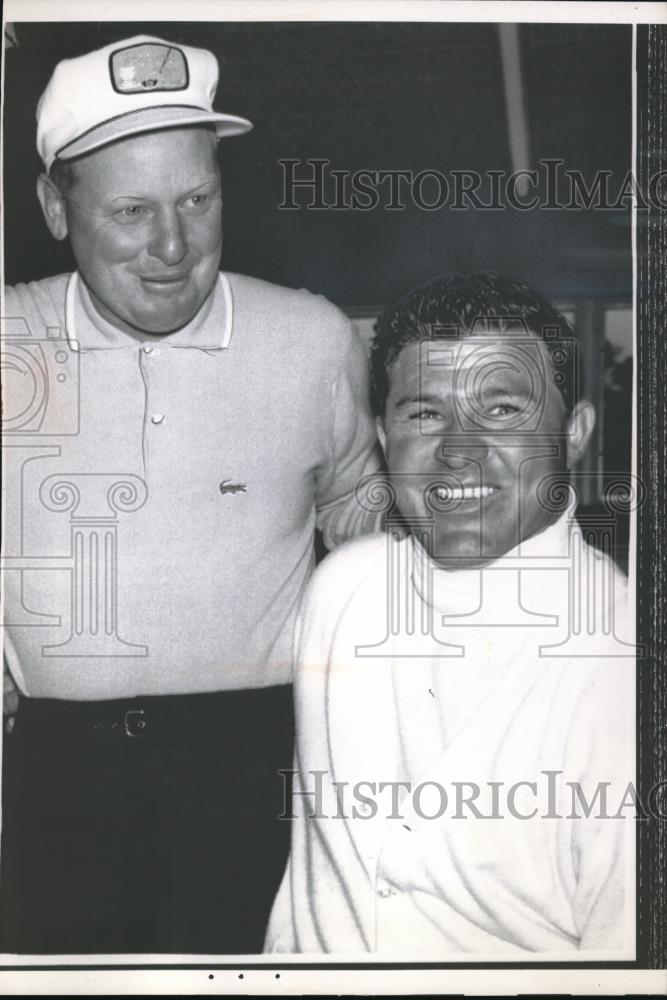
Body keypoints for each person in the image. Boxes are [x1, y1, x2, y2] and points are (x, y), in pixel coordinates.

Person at [1, 34, 383, 954]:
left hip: (257, 764)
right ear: (58, 207)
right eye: (131, 210)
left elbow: (357, 504)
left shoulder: (312, 337)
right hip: (55, 774)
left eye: (196, 200)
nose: (173, 246)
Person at [265, 272, 636, 956]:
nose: (457, 449)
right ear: (382, 436)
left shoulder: (625, 661)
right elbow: (307, 888)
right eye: (424, 413)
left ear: (575, 433)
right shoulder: (341, 592)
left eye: (501, 410)